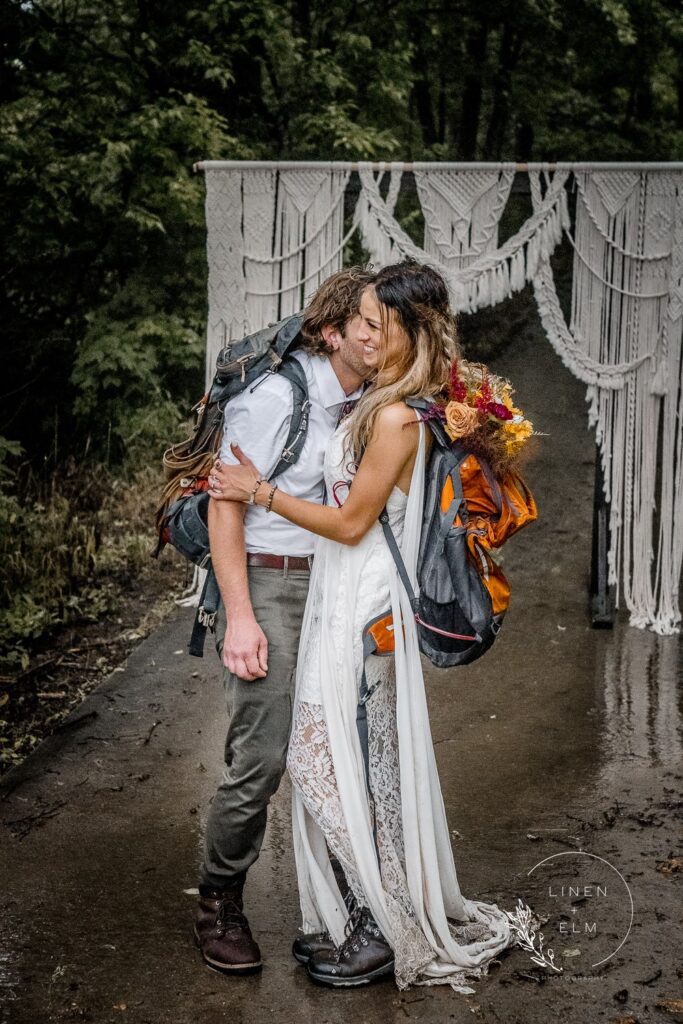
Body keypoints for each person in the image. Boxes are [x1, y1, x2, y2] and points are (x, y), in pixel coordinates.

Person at [208, 260, 517, 992]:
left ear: (410, 333)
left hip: (360, 593)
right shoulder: (392, 401)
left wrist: (261, 492)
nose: (370, 334)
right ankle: (363, 919)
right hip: (342, 592)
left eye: (382, 324)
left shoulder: (392, 414)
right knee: (350, 759)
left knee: (324, 762)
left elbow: (349, 523)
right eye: (364, 323)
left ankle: (380, 929)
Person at [195, 265, 375, 975]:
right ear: (332, 332)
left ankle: (343, 907)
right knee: (263, 757)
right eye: (369, 324)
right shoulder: (274, 397)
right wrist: (239, 617)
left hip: (338, 587)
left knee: (342, 751)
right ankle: (218, 900)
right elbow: (223, 505)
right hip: (268, 582)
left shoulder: (370, 396)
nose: (382, 336)